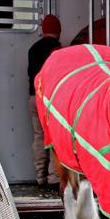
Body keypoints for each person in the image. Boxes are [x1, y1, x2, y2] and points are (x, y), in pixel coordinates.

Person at [28, 14, 62, 186]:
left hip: (33, 97)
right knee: (54, 137)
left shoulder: (33, 49)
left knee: (38, 136)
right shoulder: (57, 49)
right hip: (49, 100)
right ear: (58, 31)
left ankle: (40, 176)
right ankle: (54, 177)